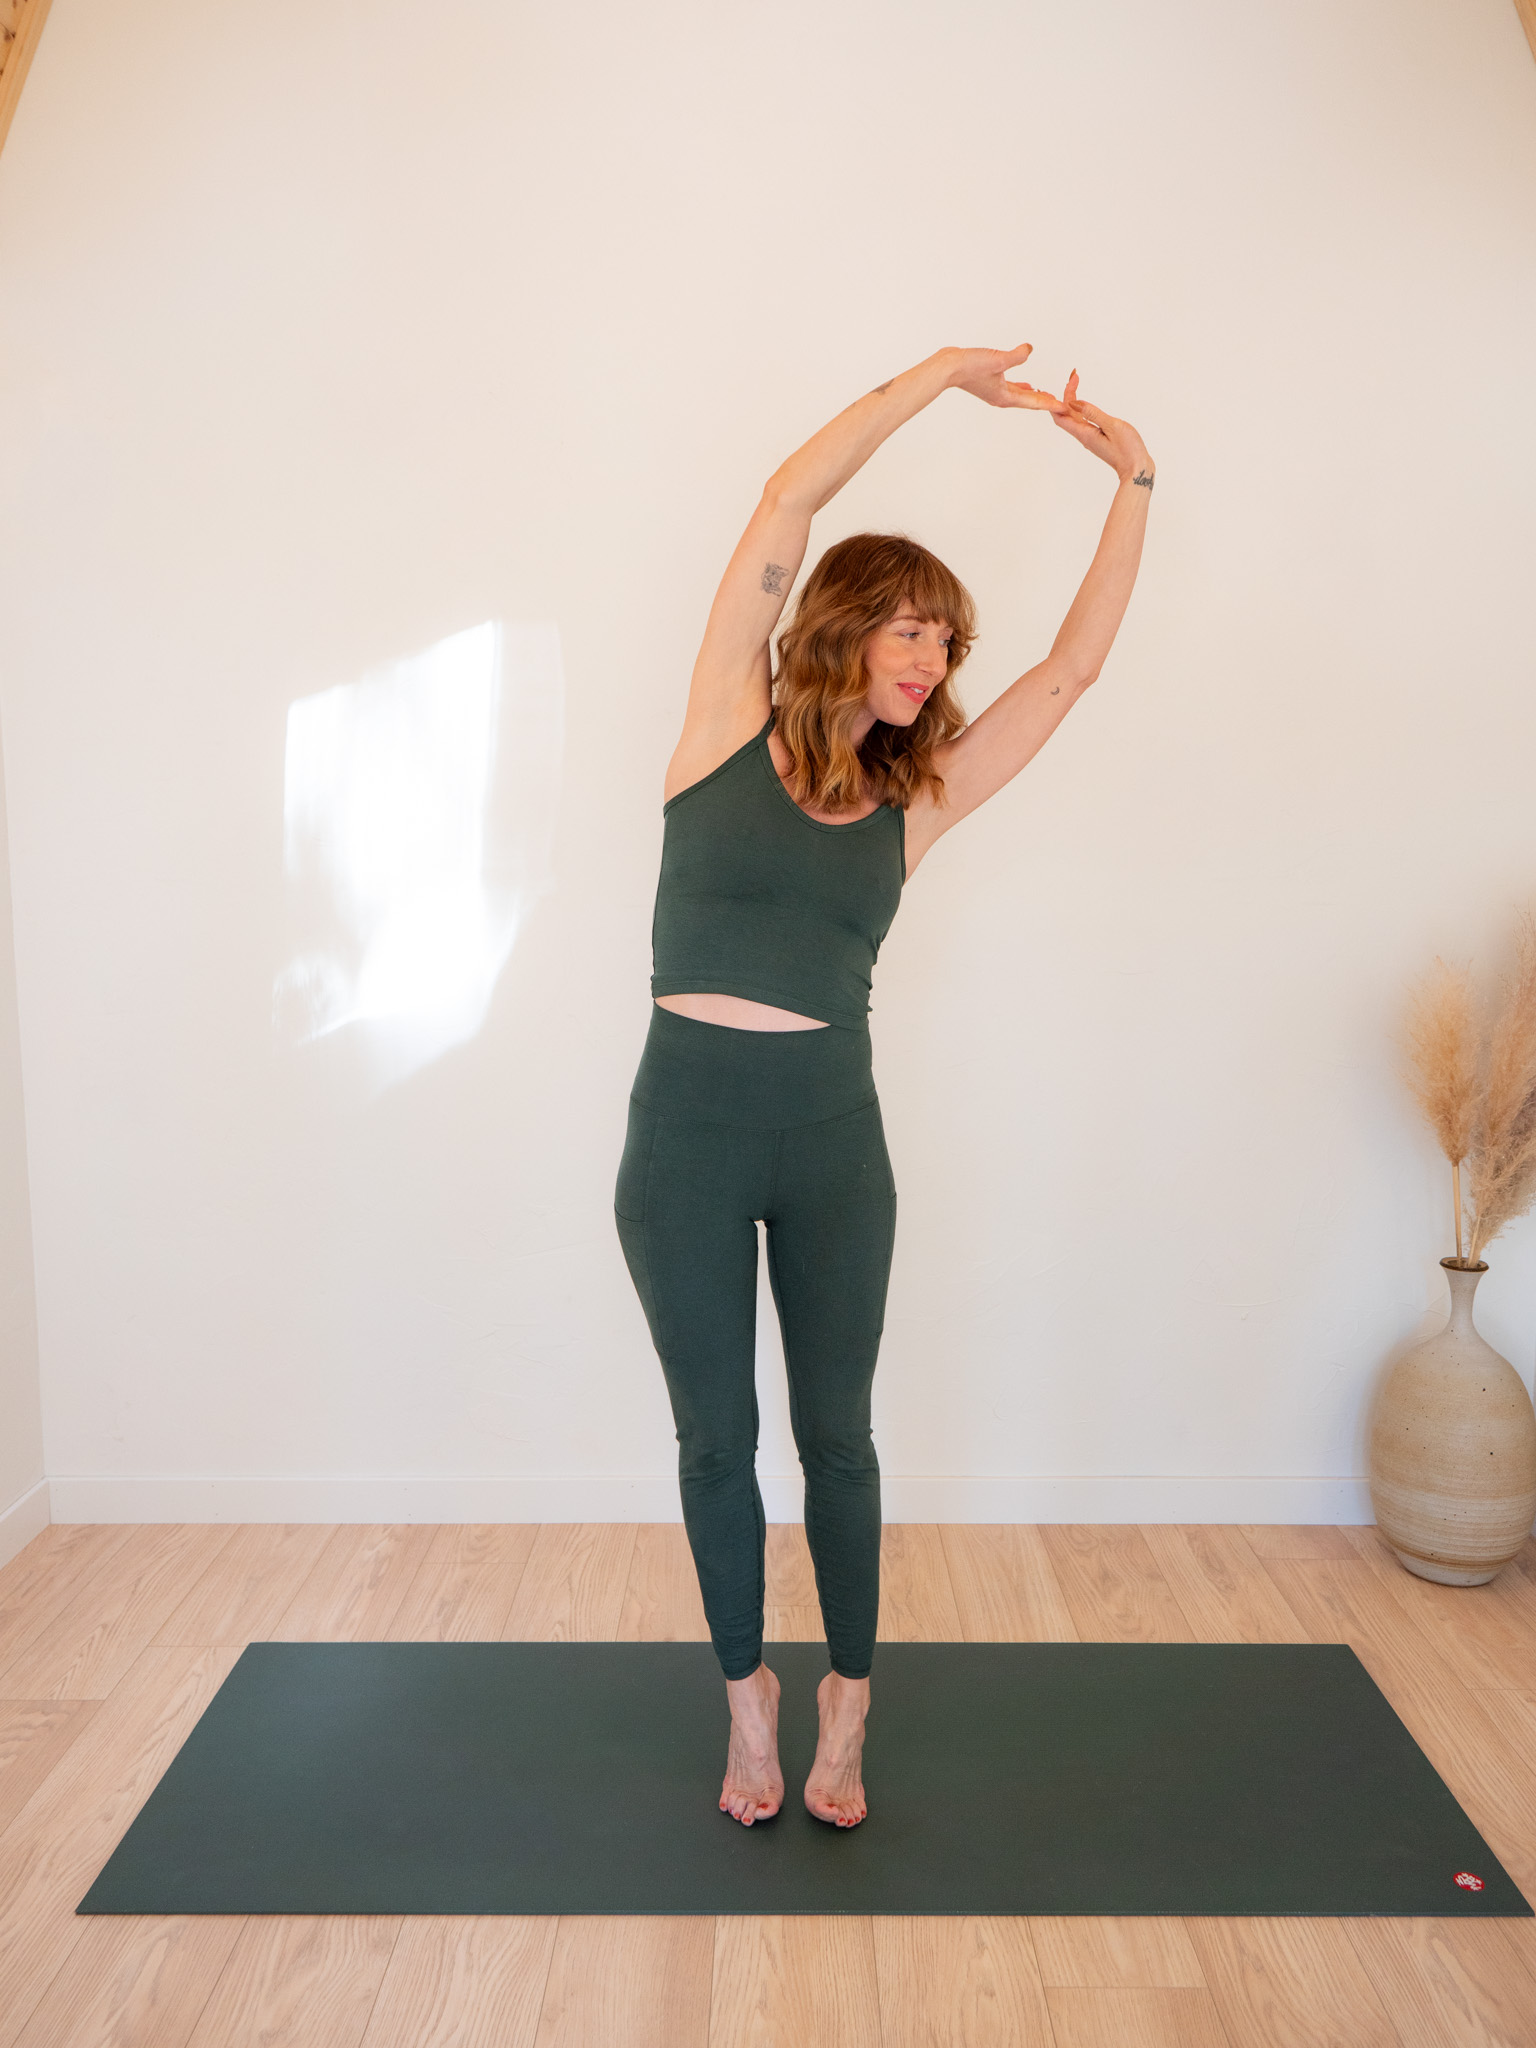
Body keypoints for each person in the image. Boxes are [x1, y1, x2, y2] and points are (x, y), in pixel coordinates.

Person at [614, 343, 1154, 1828]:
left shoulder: (918, 801)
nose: (930, 664)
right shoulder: (720, 722)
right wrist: (935, 378)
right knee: (715, 1440)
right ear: (845, 627)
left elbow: (1073, 672)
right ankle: (749, 1703)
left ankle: (849, 1696)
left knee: (837, 1438)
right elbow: (788, 499)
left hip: (831, 1146)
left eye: (945, 645)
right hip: (684, 1146)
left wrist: (1136, 480)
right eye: (912, 631)